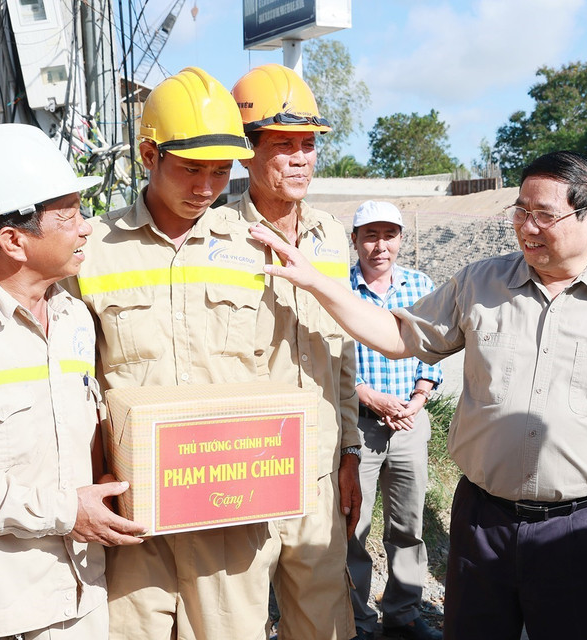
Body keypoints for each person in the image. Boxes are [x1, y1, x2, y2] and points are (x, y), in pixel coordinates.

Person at [250, 150, 587, 640]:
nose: (527, 227)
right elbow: (397, 336)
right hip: (484, 522)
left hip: (582, 528)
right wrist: (316, 281)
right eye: (521, 211)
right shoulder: (480, 282)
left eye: (544, 215)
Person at [69, 67, 277, 640]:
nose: (207, 187)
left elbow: (276, 370)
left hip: (230, 503)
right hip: (132, 514)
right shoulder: (93, 252)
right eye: (191, 168)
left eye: (220, 170)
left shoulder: (253, 249)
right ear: (148, 153)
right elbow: (69, 380)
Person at [0, 123, 145, 639]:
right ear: (13, 239)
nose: (86, 228)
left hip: (81, 596)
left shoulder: (76, 318)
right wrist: (60, 511)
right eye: (70, 215)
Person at [229, 63, 361, 640]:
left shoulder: (332, 237)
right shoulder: (215, 237)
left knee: (322, 618)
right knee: (233, 619)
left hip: (318, 470)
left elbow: (344, 352)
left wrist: (351, 450)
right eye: (284, 146)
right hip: (242, 466)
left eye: (308, 145)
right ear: (245, 153)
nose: (302, 158)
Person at [346, 200, 443, 640]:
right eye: (370, 235)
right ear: (355, 241)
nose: (380, 245)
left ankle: (403, 613)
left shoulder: (421, 286)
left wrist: (419, 398)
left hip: (409, 422)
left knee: (407, 524)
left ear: (400, 239)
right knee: (353, 526)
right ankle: (357, 619)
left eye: (388, 235)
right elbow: (332, 354)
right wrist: (366, 394)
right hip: (359, 425)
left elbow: (436, 349)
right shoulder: (341, 289)